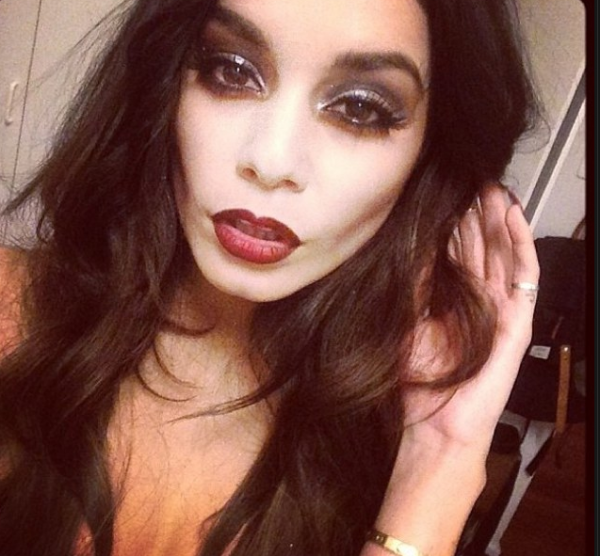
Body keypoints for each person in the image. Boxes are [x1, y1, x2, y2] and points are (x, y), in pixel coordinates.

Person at [0, 0, 540, 555]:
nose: (271, 161)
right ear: (166, 84)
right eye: (231, 71)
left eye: (360, 108)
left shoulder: (394, 434)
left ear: (428, 156)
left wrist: (442, 454)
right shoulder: (12, 312)